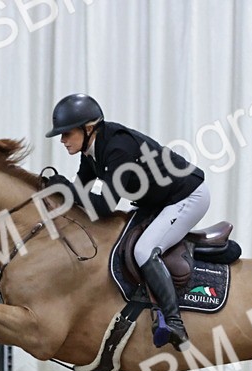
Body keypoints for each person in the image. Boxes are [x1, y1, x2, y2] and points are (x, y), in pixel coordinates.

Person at [46, 93, 208, 352]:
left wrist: (64, 188)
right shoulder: (91, 151)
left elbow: (103, 206)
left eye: (67, 133)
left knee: (143, 250)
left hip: (187, 196)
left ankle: (175, 322)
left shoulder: (118, 148)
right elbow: (80, 193)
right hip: (157, 202)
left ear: (89, 129)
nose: (63, 140)